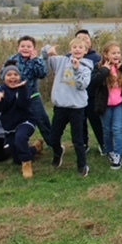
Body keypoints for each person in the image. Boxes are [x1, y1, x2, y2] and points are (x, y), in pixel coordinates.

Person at [42, 38, 93, 177]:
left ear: (85, 51)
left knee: (77, 139)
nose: (77, 49)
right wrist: (48, 50)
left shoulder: (86, 68)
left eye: (80, 47)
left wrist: (76, 69)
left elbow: (82, 85)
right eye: (74, 47)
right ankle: (58, 152)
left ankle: (82, 165)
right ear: (70, 50)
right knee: (54, 137)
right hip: (60, 106)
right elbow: (45, 57)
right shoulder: (61, 61)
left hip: (77, 108)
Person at [0, 60, 43, 178]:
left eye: (15, 75)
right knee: (17, 158)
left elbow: (24, 105)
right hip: (9, 125)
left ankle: (27, 165)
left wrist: (21, 90)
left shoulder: (23, 88)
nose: (13, 77)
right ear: (4, 77)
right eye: (9, 75)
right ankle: (36, 148)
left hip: (25, 121)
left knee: (20, 138)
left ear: (19, 76)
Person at [91, 41, 122, 170]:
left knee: (117, 129)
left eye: (118, 53)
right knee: (107, 129)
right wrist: (105, 70)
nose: (116, 55)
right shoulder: (99, 67)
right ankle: (109, 150)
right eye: (113, 53)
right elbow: (95, 83)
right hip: (105, 105)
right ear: (106, 54)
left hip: (119, 105)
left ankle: (118, 155)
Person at [5, 35, 52, 150]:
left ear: (34, 49)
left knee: (42, 120)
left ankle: (52, 143)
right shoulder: (12, 60)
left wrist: (35, 60)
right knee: (11, 119)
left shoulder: (37, 60)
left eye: (28, 46)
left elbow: (42, 74)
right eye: (22, 46)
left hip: (33, 96)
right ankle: (8, 143)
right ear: (18, 48)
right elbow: (4, 74)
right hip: (15, 97)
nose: (25, 48)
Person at [73, 29, 104, 154]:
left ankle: (102, 143)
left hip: (92, 95)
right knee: (80, 122)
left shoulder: (96, 57)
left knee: (96, 120)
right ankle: (84, 144)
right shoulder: (70, 57)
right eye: (79, 38)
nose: (83, 40)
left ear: (90, 41)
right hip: (76, 96)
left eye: (86, 38)